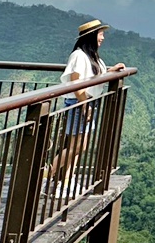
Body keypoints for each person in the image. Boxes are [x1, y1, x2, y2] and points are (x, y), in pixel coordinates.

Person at [46, 19, 125, 198]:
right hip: (79, 103)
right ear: (91, 36)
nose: (103, 38)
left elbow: (94, 77)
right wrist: (85, 106)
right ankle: (48, 176)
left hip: (87, 103)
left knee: (80, 146)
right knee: (75, 146)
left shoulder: (91, 56)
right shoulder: (79, 56)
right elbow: (76, 82)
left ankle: (67, 181)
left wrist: (113, 71)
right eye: (100, 34)